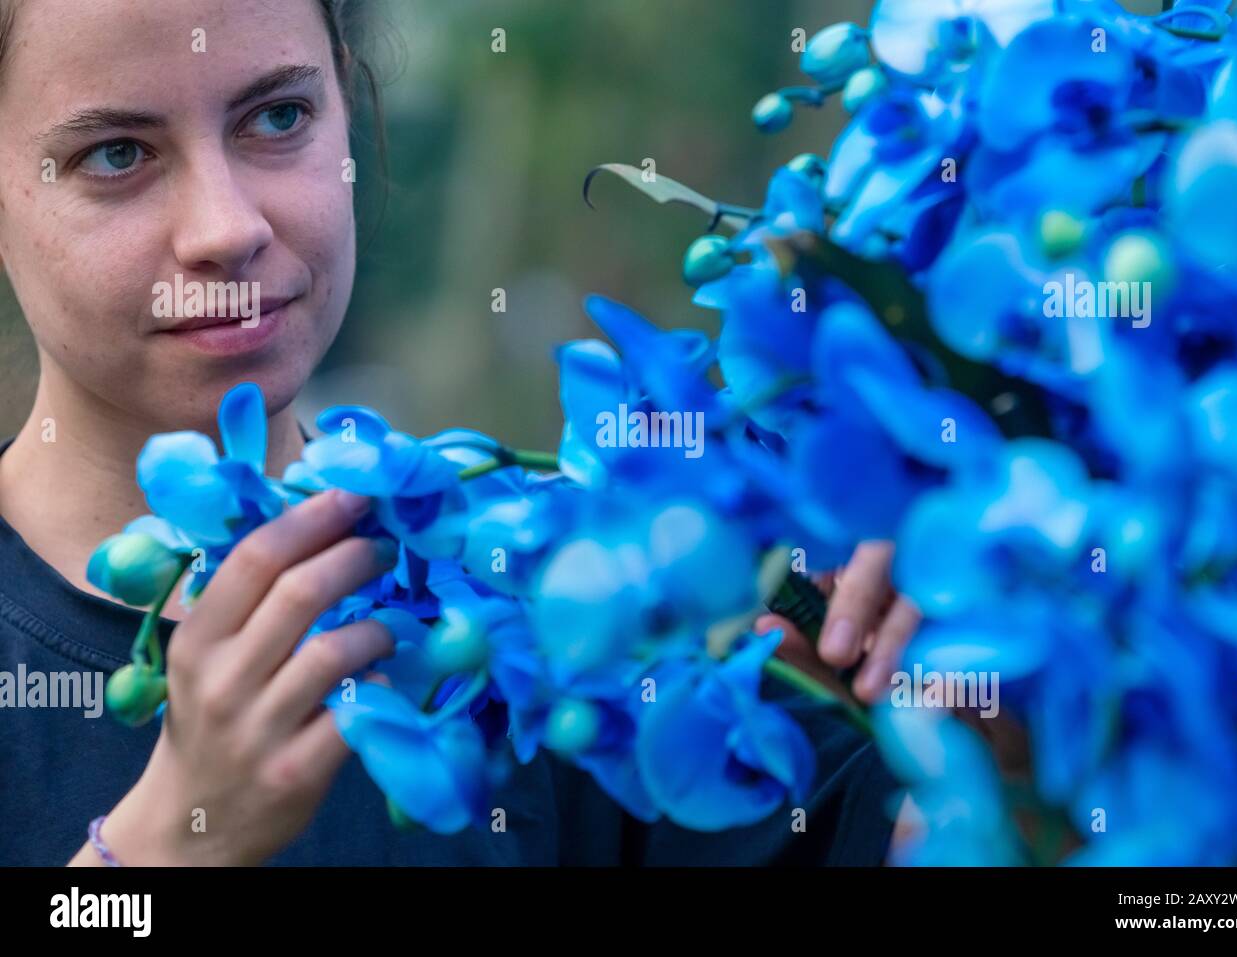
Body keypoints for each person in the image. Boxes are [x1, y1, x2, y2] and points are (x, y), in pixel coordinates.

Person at [0, 0, 918, 866]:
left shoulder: (568, 609)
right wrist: (161, 852)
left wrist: (973, 724)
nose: (228, 227)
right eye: (117, 153)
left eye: (277, 117)